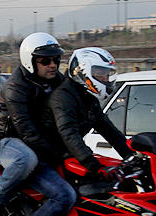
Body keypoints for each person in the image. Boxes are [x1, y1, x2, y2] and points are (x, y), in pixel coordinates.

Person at [0, 33, 77, 216]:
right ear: (30, 61)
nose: (53, 64)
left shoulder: (56, 80)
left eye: (56, 59)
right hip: (5, 140)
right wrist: (57, 153)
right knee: (27, 161)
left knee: (73, 186)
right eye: (45, 61)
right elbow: (26, 131)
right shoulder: (17, 87)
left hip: (37, 144)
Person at [50, 47, 133, 187]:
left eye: (107, 74)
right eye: (100, 74)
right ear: (82, 72)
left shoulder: (88, 97)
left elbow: (108, 130)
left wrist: (131, 155)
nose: (105, 79)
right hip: (51, 158)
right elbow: (69, 133)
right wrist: (94, 166)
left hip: (69, 156)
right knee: (65, 198)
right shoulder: (63, 97)